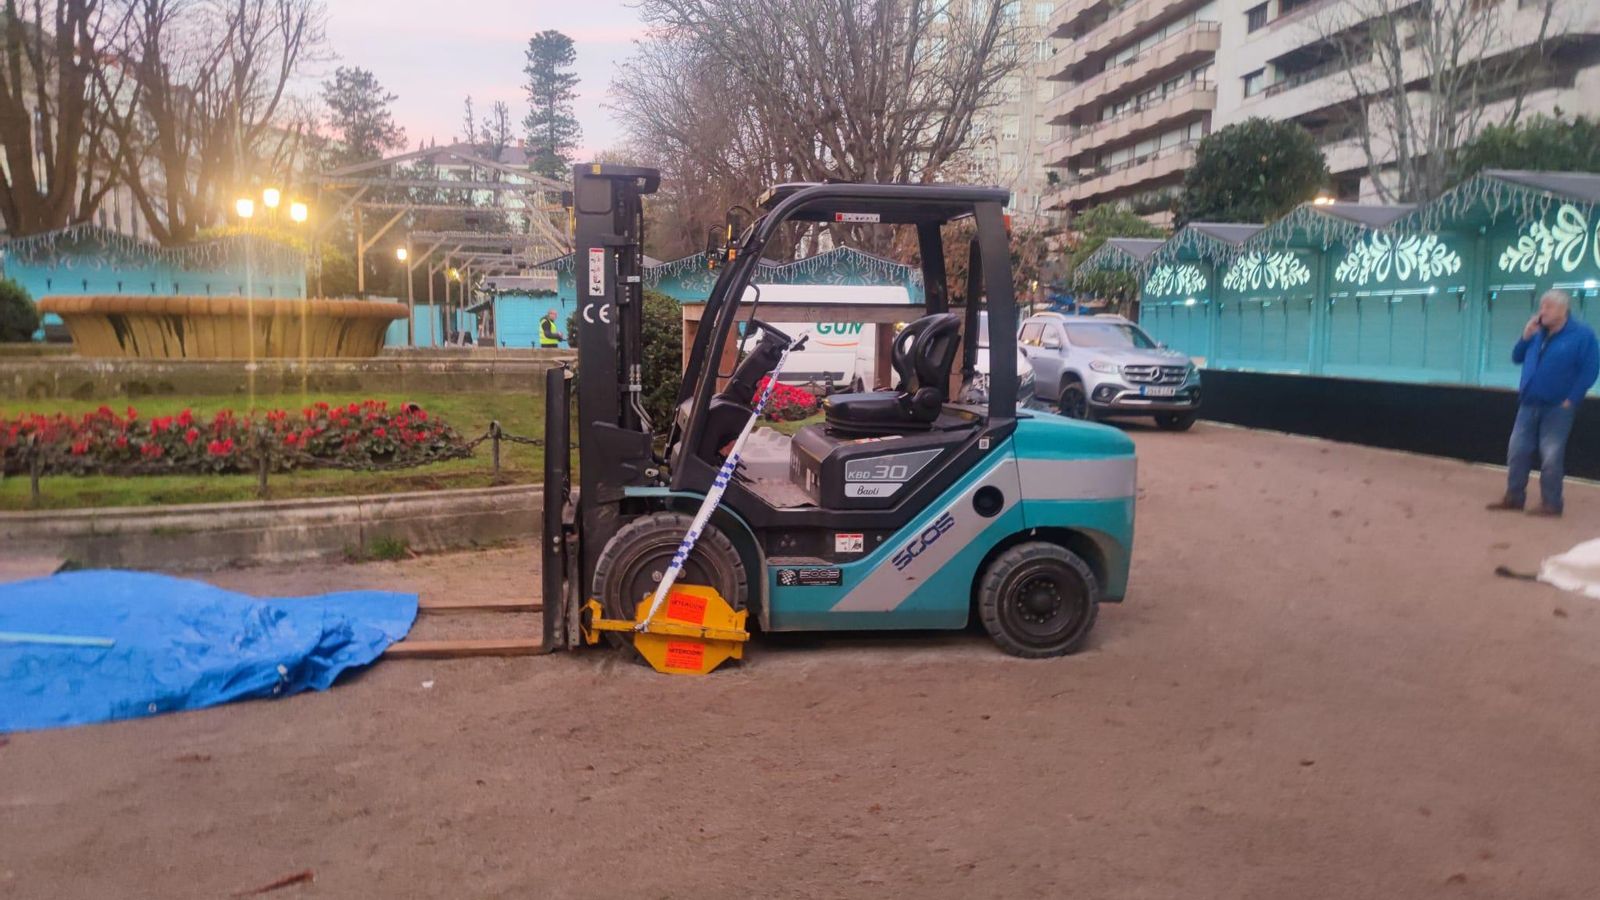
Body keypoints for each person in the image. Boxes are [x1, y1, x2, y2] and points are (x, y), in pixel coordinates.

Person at [1487, 289, 1599, 517]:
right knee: (1517, 452)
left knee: (1551, 456)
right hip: (1528, 404)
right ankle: (1514, 497)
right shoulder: (1537, 333)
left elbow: (1590, 370)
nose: (1542, 312)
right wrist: (1525, 336)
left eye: (1547, 307)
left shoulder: (1582, 335)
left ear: (1562, 310)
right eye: (1542, 306)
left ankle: (1552, 504)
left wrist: (1572, 399)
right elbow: (1517, 357)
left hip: (1558, 407)